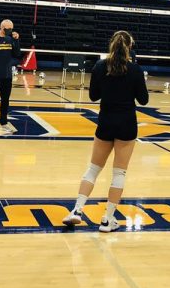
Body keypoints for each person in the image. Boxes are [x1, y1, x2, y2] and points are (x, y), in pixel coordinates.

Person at [64, 31, 149, 233]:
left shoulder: (101, 66)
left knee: (93, 168)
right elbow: (143, 100)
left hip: (106, 122)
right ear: (130, 47)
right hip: (127, 124)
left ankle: (77, 210)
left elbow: (93, 96)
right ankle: (107, 219)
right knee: (119, 173)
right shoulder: (135, 69)